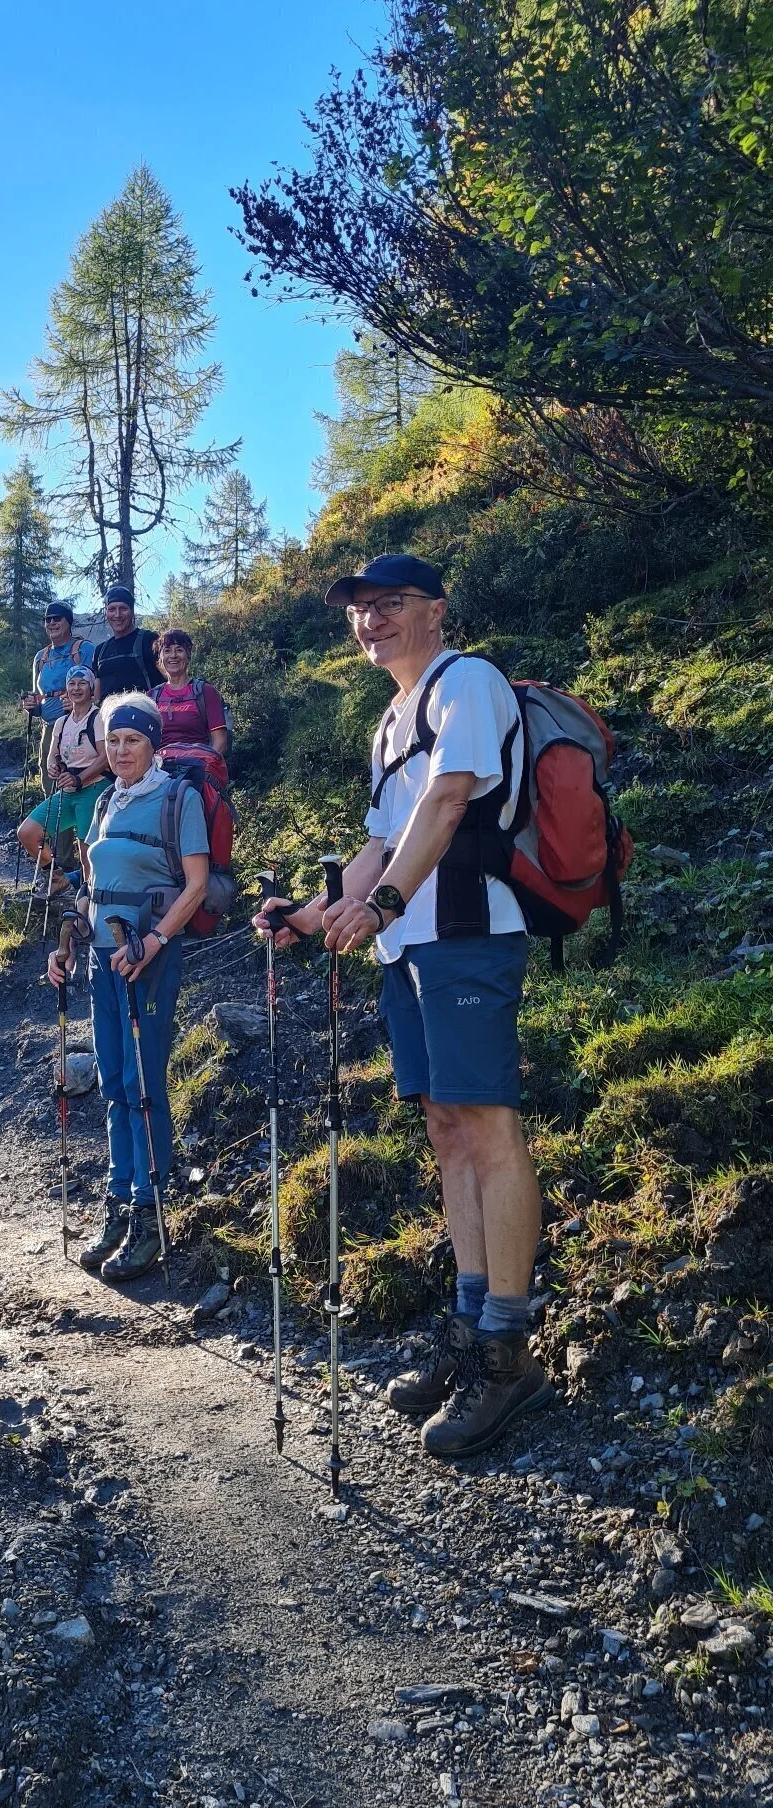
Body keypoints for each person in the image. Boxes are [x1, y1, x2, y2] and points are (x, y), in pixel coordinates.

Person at [255, 552, 554, 1459]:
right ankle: (472, 1327)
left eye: (390, 604)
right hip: (409, 944)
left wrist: (379, 903)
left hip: (466, 932)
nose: (371, 620)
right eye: (360, 609)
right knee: (446, 1127)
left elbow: (451, 804)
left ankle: (510, 1351)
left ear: (437, 610)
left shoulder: (469, 682)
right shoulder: (392, 721)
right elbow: (381, 842)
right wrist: (313, 914)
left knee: (487, 1125)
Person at [48, 692, 208, 1281]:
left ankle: (151, 1210)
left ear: (154, 744)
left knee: (143, 1082)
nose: (119, 751)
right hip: (101, 956)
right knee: (114, 1080)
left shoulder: (178, 797)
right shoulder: (107, 802)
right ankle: (120, 1202)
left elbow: (195, 885)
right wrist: (66, 944)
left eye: (131, 740)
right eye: (112, 740)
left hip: (148, 960)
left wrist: (157, 941)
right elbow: (90, 884)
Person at [16, 666, 110, 897]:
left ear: (90, 688)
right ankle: (57, 879)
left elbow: (105, 757)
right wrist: (54, 767)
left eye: (81, 683)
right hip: (68, 791)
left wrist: (79, 777)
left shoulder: (98, 718)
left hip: (94, 788)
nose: (76, 688)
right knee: (27, 833)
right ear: (66, 690)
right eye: (72, 684)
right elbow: (52, 757)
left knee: (87, 851)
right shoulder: (61, 722)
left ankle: (89, 903)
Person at [21, 602, 93, 796]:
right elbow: (39, 697)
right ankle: (56, 826)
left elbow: (96, 689)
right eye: (48, 619)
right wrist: (31, 706)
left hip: (80, 726)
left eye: (57, 618)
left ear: (68, 622)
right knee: (49, 779)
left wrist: (82, 703)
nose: (52, 623)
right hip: (50, 728)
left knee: (81, 781)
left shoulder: (84, 650)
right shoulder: (40, 657)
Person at [152, 628, 229, 757]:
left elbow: (220, 743)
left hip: (199, 768)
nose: (173, 655)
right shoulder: (152, 697)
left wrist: (205, 768)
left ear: (188, 656)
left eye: (179, 650)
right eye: (167, 651)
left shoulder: (205, 692)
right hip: (160, 771)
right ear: (160, 658)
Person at [92, 585, 163, 701]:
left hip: (145, 713)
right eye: (112, 609)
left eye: (123, 608)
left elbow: (171, 678)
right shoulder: (100, 651)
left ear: (132, 611)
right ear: (106, 613)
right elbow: (97, 697)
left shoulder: (149, 640)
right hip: (108, 716)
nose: (117, 615)